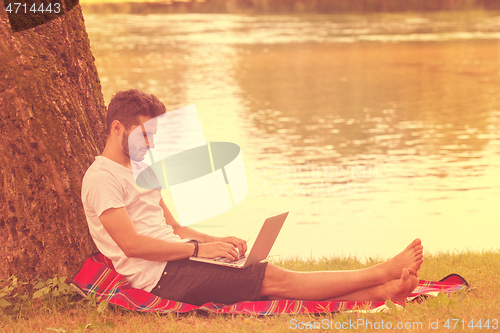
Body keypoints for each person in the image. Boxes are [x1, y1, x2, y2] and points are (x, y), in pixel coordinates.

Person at [81, 89, 424, 306]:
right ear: (116, 128)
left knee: (268, 276)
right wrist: (199, 251)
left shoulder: (142, 172)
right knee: (276, 279)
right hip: (162, 277)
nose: (152, 144)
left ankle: (381, 294)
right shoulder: (102, 178)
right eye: (145, 134)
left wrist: (218, 242)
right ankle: (381, 273)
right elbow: (133, 246)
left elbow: (175, 227)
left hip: (181, 259)